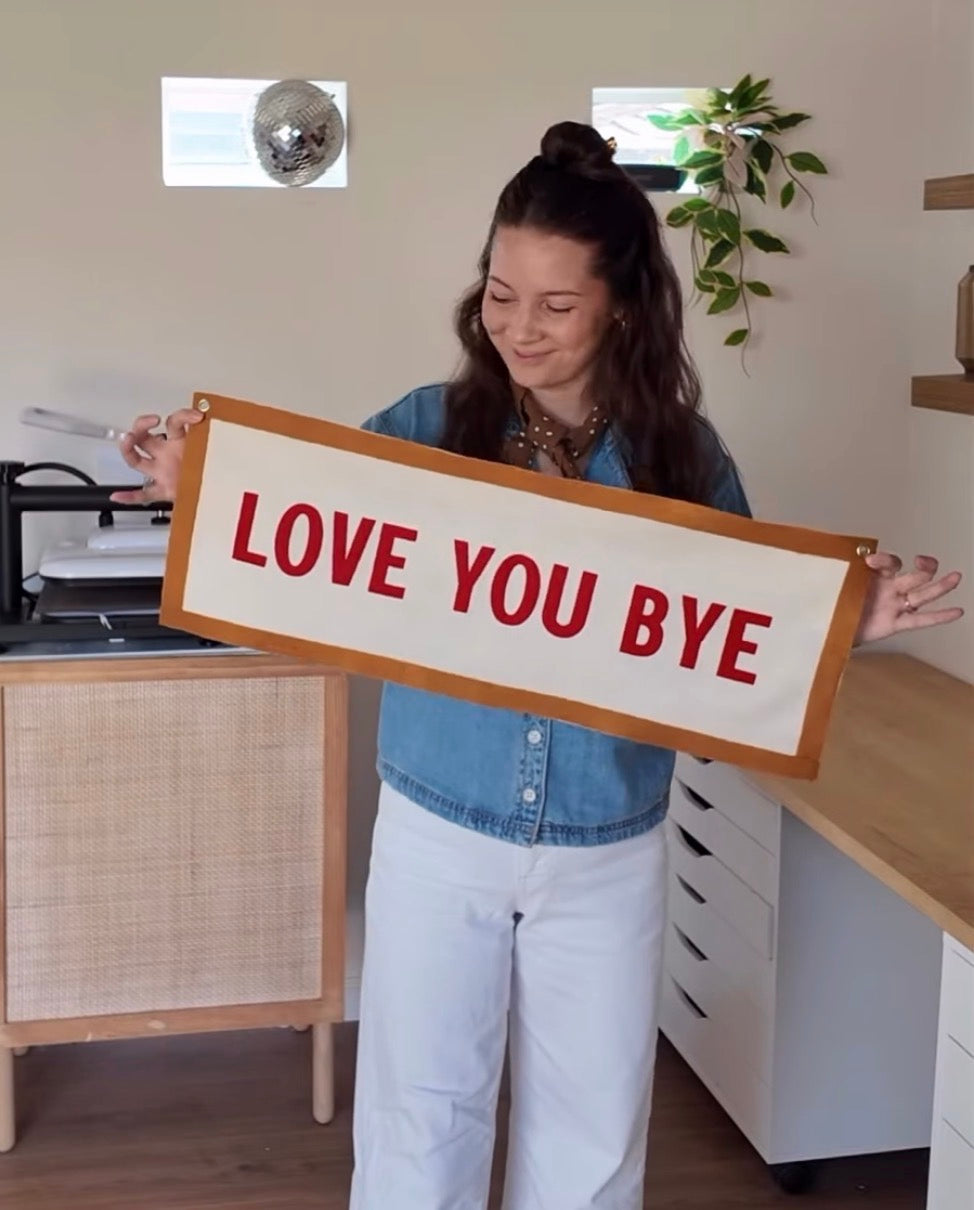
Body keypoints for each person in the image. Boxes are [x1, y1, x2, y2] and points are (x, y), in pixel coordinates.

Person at [112, 122, 964, 1210]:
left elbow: (734, 637)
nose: (519, 327)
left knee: (592, 1138)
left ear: (622, 307)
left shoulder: (684, 459)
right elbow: (301, 537)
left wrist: (841, 620)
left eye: (556, 305)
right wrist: (204, 485)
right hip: (438, 827)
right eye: (501, 295)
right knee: (419, 1123)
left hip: (607, 840)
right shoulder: (423, 429)